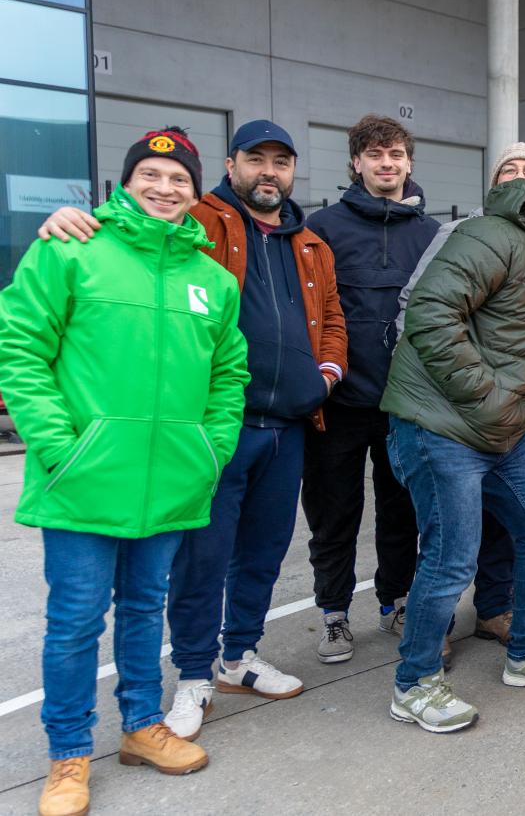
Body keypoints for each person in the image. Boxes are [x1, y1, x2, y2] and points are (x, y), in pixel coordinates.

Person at [37, 120, 348, 743]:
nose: (269, 172)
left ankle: (239, 658)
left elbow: (333, 318)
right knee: (202, 561)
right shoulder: (199, 221)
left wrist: (326, 377)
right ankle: (193, 675)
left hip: (285, 427)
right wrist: (72, 219)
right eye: (255, 160)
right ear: (230, 167)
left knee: (262, 554)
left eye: (281, 162)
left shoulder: (311, 243)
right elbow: (135, 231)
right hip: (212, 432)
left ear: (293, 173)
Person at [0, 128, 249, 816]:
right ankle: (68, 756)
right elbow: (19, 346)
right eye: (150, 175)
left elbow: (229, 374)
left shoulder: (213, 280)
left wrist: (211, 449)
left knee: (144, 612)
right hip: (82, 481)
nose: (165, 189)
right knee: (76, 621)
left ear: (196, 193)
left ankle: (142, 728)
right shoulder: (72, 248)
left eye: (179, 181)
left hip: (171, 482)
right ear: (126, 181)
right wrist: (58, 445)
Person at [380, 164, 525, 733]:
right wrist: (489, 399)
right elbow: (431, 317)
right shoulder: (491, 235)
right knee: (452, 556)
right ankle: (413, 684)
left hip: (502, 433)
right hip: (439, 425)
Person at [396, 142, 525, 653]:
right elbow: (420, 312)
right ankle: (422, 658)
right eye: (512, 170)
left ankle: (505, 625)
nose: (523, 178)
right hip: (450, 414)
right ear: (494, 183)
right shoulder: (463, 233)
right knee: (449, 545)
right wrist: (480, 394)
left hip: (503, 423)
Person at [302, 115, 439, 664]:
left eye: (397, 153)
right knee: (334, 512)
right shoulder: (323, 229)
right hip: (337, 402)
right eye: (376, 154)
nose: (387, 163)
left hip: (404, 401)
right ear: (355, 163)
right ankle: (333, 613)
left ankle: (395, 601)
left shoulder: (432, 234)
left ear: (409, 162)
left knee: (400, 509)